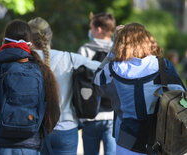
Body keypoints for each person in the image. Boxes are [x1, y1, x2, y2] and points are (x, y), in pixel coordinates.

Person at [94, 23, 185, 155]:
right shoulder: (162, 65)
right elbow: (181, 97)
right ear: (147, 41)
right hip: (160, 140)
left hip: (126, 140)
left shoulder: (113, 68)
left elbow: (97, 82)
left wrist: (113, 50)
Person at [0, 19, 60, 155]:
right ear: (30, 43)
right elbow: (53, 114)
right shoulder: (42, 70)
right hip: (30, 146)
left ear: (4, 40)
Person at [28, 17, 101, 154]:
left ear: (29, 39)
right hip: (67, 130)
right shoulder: (69, 58)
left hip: (34, 131)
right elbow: (101, 68)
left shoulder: (23, 61)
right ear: (50, 36)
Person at [77, 12, 116, 155]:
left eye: (91, 27)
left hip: (90, 115)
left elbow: (78, 84)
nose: (90, 31)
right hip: (113, 115)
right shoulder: (119, 52)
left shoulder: (85, 51)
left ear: (98, 29)